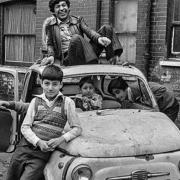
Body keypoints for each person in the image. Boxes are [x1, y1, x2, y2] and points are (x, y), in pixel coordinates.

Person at [6, 64, 82, 180]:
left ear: (61, 85)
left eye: (55, 84)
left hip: (42, 155)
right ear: (41, 83)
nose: (50, 88)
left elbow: (77, 129)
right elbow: (25, 127)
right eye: (47, 83)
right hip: (24, 148)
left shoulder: (67, 103)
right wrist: (38, 142)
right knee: (11, 177)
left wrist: (60, 139)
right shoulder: (35, 101)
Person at [41, 0, 123, 66]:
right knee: (76, 38)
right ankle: (93, 63)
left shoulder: (78, 20)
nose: (62, 8)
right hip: (69, 58)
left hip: (86, 53)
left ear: (68, 7)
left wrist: (99, 38)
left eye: (63, 5)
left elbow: (89, 32)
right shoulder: (51, 26)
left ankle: (113, 60)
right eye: (58, 7)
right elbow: (50, 44)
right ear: (53, 11)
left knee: (106, 28)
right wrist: (51, 56)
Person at [108, 77, 179, 122]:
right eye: (114, 94)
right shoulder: (128, 96)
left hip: (170, 105)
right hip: (161, 107)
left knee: (166, 129)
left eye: (117, 92)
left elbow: (162, 89)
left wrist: (150, 102)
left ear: (125, 88)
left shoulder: (139, 87)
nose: (117, 96)